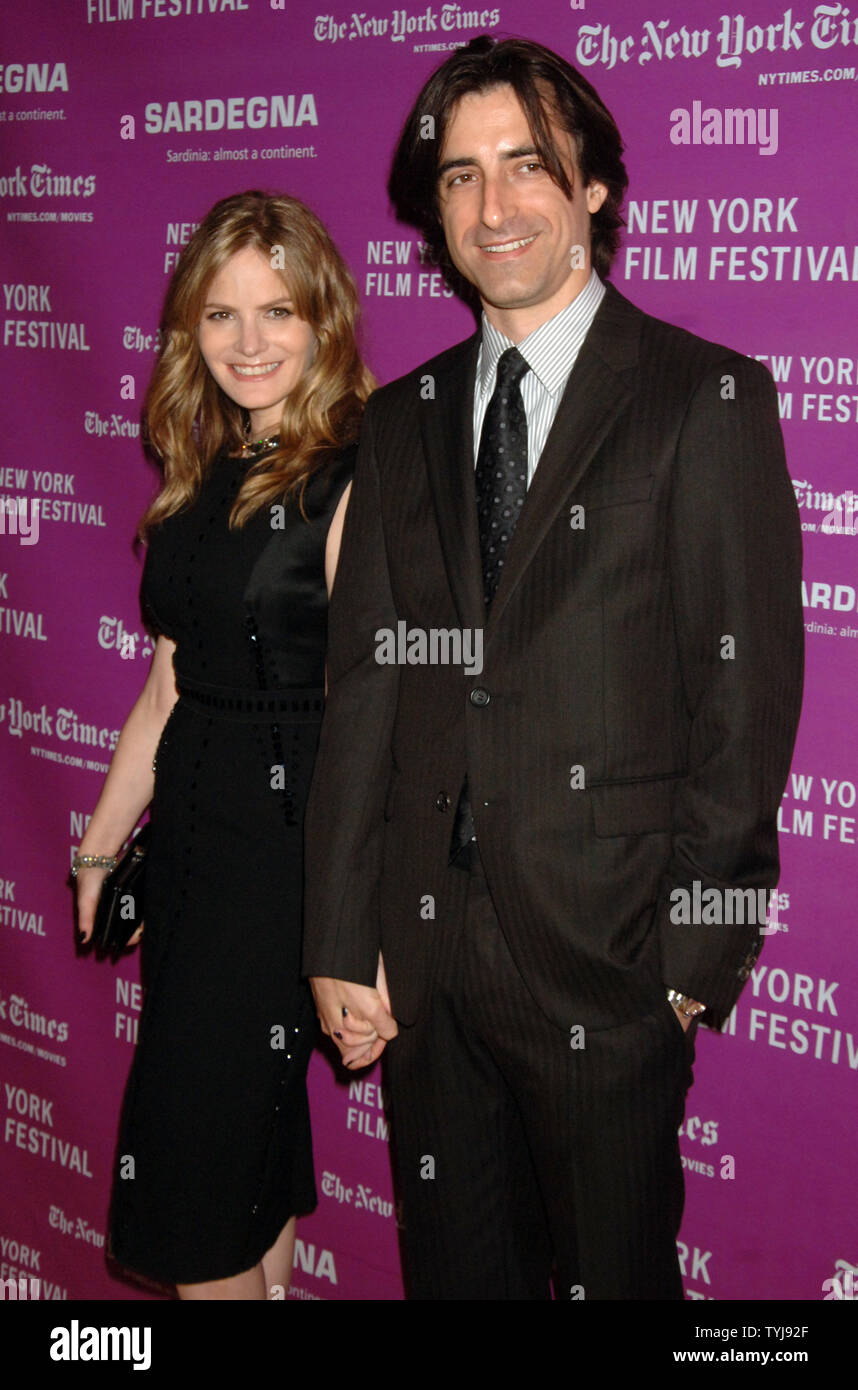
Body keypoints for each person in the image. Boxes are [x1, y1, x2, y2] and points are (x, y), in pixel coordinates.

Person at [302, 37, 804, 1300]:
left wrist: (687, 976)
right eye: (460, 175)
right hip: (425, 964)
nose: (493, 205)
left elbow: (745, 707)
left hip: (614, 965)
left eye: (527, 165)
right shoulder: (399, 419)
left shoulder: (706, 399)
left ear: (593, 189)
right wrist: (341, 930)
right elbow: (367, 688)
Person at [74, 190, 370, 1299]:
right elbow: (166, 686)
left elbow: (374, 713)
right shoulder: (197, 474)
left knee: (194, 1174)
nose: (249, 343)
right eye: (220, 315)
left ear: (324, 320)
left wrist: (354, 920)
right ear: (188, 329)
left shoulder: (354, 475)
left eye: (277, 312)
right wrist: (101, 846)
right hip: (196, 850)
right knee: (241, 1143)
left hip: (284, 855)